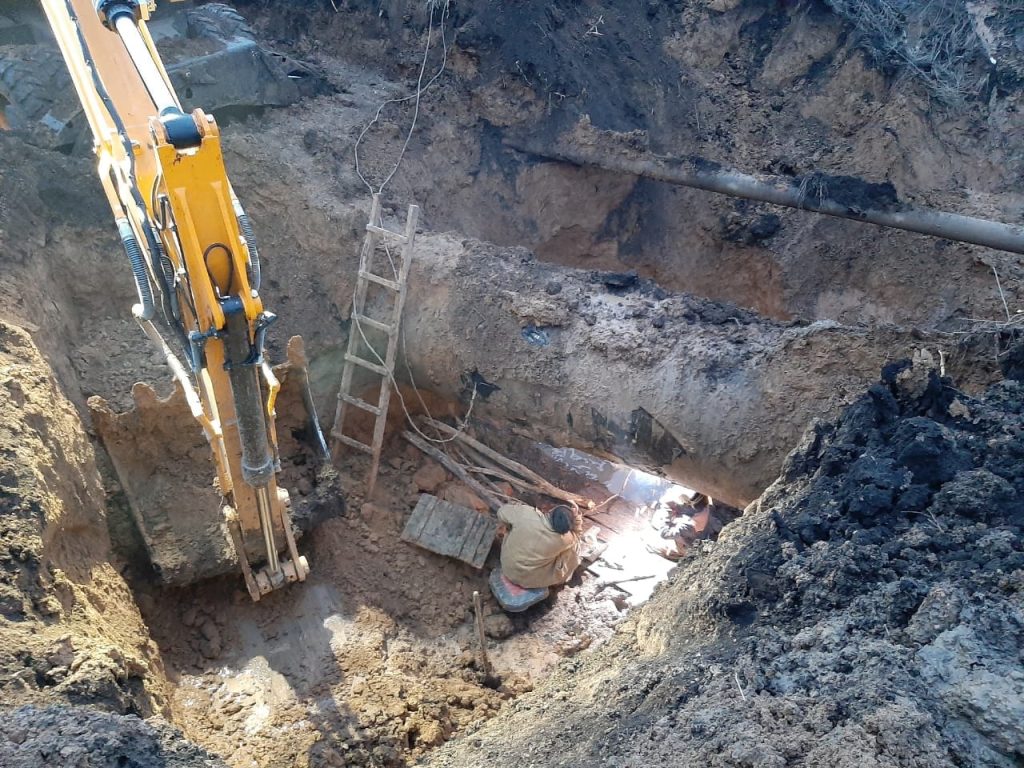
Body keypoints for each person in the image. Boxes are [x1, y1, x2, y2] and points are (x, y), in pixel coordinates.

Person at [497, 503, 583, 589]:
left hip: (508, 568)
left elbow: (501, 512)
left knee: (511, 527)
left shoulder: (525, 514)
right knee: (574, 547)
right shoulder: (566, 540)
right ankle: (561, 580)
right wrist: (577, 518)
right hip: (531, 581)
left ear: (551, 512)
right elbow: (577, 535)